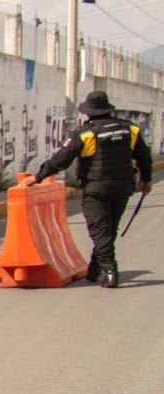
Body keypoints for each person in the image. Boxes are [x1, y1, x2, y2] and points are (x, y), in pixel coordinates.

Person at [33, 89, 152, 288]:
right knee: (109, 229)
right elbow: (144, 157)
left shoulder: (85, 133)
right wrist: (145, 181)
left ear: (88, 112)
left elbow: (62, 158)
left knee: (99, 230)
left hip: (96, 187)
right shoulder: (130, 129)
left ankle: (110, 269)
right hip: (123, 186)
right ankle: (95, 269)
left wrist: (38, 177)